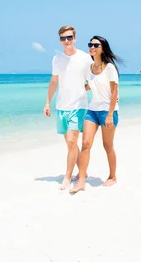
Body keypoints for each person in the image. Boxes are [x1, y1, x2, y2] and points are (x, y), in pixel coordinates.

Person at [70, 35, 123, 194]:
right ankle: (81, 181)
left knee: (108, 146)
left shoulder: (110, 68)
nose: (92, 47)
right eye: (90, 44)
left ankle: (112, 176)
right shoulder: (89, 68)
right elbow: (89, 85)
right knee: (86, 144)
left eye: (96, 45)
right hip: (92, 110)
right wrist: (75, 90)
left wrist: (109, 115)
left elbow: (114, 92)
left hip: (108, 111)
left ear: (102, 48)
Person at [44, 25, 93, 190]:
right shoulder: (57, 59)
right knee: (71, 145)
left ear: (75, 38)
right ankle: (82, 172)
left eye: (69, 37)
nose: (67, 41)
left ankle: (67, 177)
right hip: (61, 107)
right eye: (63, 38)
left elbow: (92, 81)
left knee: (72, 141)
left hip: (78, 106)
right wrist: (47, 103)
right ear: (60, 40)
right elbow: (54, 82)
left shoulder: (85, 58)